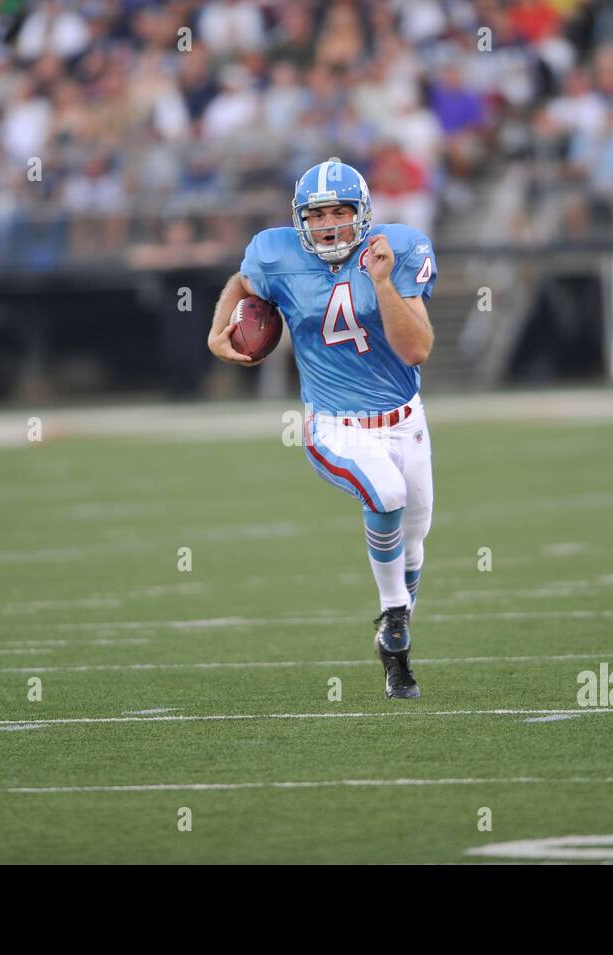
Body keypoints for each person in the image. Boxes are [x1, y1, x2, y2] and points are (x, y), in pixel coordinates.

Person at [207, 160, 437, 699]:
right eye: (317, 214)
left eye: (341, 212)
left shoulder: (397, 248)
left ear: (363, 215)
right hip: (333, 423)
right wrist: (219, 329)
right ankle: (394, 613)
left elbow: (416, 349)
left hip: (405, 420)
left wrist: (381, 282)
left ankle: (396, 651)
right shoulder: (274, 251)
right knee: (386, 492)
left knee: (415, 540)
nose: (330, 224)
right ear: (299, 218)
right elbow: (241, 282)